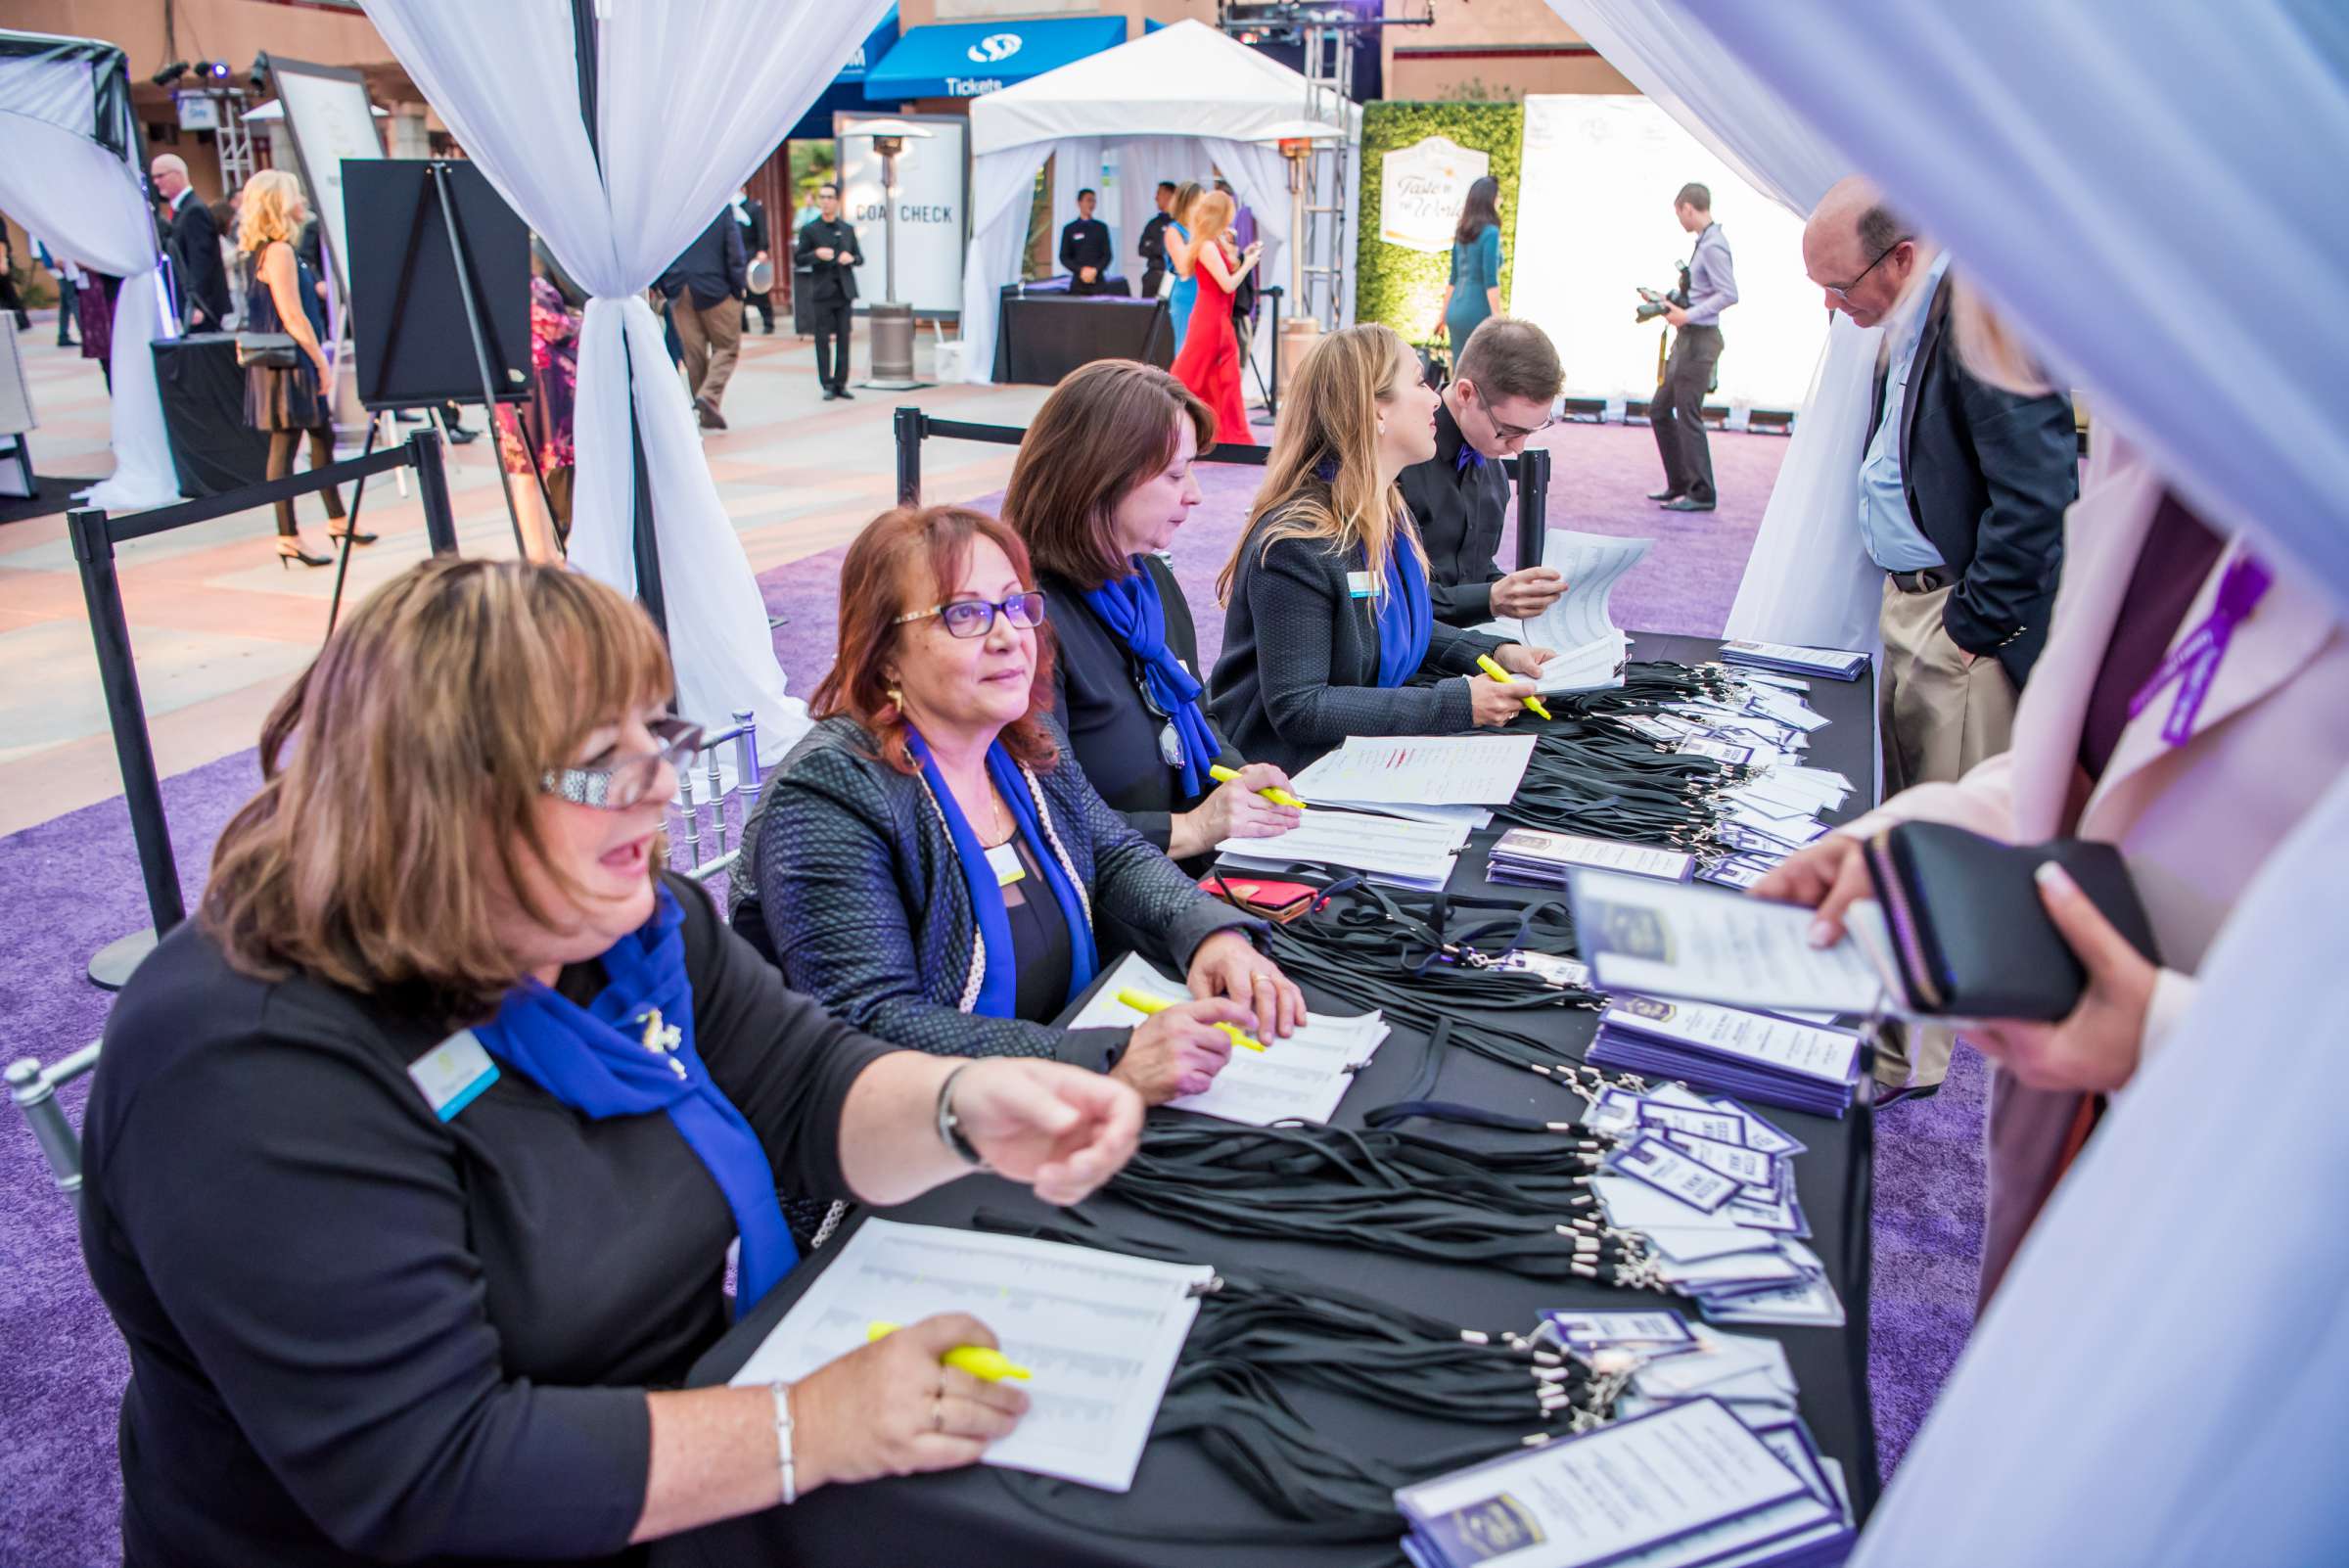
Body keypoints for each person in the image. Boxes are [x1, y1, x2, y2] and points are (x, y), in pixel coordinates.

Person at [78, 558, 1141, 1568]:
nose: (662, 791)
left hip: (662, 1462)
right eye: (601, 763)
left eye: (656, 736)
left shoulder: (622, 927)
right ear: (443, 796)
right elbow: (428, 1471)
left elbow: (808, 1087)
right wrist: (807, 1426)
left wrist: (963, 1107)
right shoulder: (246, 1064)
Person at [744, 504, 1305, 1106]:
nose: (1010, 635)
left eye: (1015, 605)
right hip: (915, 1147)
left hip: (1050, 1092)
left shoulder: (1022, 738)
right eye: (964, 614)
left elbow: (1111, 854)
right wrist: (1106, 1061)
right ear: (884, 652)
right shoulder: (829, 795)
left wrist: (1207, 934)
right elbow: (872, 1026)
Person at [1798, 177, 2078, 1094]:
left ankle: (1910, 1058)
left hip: (1956, 619)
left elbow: (2037, 496)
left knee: (1942, 846)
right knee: (1906, 816)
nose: (1835, 310)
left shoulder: (1983, 313)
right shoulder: (1915, 312)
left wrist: (1973, 625)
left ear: (1903, 257)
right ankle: (1893, 1030)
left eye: (1840, 288)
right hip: (1915, 599)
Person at [1210, 323, 1553, 774]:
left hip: (1352, 757)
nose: (1435, 398)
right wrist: (1454, 703)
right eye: (1418, 382)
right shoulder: (1300, 539)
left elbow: (1383, 622)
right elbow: (1300, 707)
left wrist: (1492, 651)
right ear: (1375, 410)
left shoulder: (1383, 508)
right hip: (1286, 782)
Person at [1004, 358, 1302, 870]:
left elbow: (1195, 709)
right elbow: (1048, 817)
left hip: (1182, 876)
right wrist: (1192, 829)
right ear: (1099, 476)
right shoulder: (1026, 620)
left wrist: (1238, 775)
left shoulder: (1148, 581)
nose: (1195, 494)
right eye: (1175, 474)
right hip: (1111, 903)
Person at [1399, 316, 1569, 628]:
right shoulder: (1400, 457)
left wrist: (1518, 593)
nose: (1518, 448)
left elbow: (1471, 568)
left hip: (1473, 645)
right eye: (1508, 430)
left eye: (1531, 431)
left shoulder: (1489, 456)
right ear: (1466, 394)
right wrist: (1489, 598)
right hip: (1410, 660)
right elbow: (1381, 599)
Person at [236, 170, 352, 569]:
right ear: (280, 203)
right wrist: (320, 361)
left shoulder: (266, 250)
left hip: (285, 361)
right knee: (287, 446)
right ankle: (289, 535)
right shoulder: (279, 251)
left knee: (320, 438)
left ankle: (336, 520)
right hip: (292, 363)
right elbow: (292, 315)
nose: (303, 199)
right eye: (295, 194)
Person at [1647, 182, 1737, 513]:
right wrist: (1668, 301)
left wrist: (1687, 315)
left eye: (1679, 213)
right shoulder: (1706, 243)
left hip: (1700, 340)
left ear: (1688, 207)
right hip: (1690, 338)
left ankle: (1701, 492)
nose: (1679, 220)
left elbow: (1729, 293)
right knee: (1660, 409)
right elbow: (1702, 291)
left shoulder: (1714, 245)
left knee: (1687, 415)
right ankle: (1680, 483)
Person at [493, 238, 584, 563]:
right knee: (529, 474)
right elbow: (554, 325)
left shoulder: (507, 282)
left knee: (532, 473)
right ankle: (539, 554)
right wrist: (581, 321)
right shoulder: (521, 285)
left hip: (531, 386)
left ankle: (543, 551)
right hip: (535, 390)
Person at [1168, 191, 1260, 444]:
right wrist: (1249, 264)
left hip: (1219, 318)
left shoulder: (1213, 244)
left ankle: (1229, 434)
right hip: (1209, 319)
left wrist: (1243, 256)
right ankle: (1166, 421)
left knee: (1225, 378)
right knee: (1191, 373)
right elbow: (1228, 284)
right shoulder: (1207, 246)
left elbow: (1228, 274)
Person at [658, 207, 748, 431]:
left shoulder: (673, 210)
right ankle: (709, 396)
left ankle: (705, 407)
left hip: (680, 288)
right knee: (727, 347)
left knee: (693, 353)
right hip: (716, 287)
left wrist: (665, 286)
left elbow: (657, 251)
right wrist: (738, 288)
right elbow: (735, 251)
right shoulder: (719, 207)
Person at [795, 182, 861, 402]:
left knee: (844, 337)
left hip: (844, 291)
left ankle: (841, 382)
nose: (825, 201)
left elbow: (860, 257)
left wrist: (850, 258)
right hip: (822, 291)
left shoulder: (847, 229)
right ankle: (827, 383)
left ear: (837, 200)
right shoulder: (810, 229)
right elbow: (799, 258)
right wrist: (816, 254)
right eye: (822, 197)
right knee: (822, 339)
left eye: (829, 197)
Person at [152, 153, 231, 333]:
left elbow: (200, 261)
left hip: (201, 306)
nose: (156, 182)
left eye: (160, 176)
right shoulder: (183, 210)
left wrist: (196, 303)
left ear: (177, 174)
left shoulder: (194, 211)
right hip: (192, 303)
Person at [1431, 176, 1505, 363]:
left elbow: (1453, 278)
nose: (1500, 200)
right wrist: (1499, 317)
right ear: (1489, 199)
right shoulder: (1491, 233)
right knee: (1481, 370)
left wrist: (1442, 317)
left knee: (1460, 369)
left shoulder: (1462, 231)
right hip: (1478, 310)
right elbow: (1490, 280)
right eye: (1498, 195)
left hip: (1456, 310)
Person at [1164, 180, 1204, 353]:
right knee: (1185, 348)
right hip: (1186, 294)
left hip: (1204, 295)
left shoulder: (1202, 230)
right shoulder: (1174, 231)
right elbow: (1183, 267)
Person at [731, 187, 774, 335]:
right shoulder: (729, 209)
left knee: (758, 289)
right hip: (736, 254)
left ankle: (768, 322)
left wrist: (762, 249)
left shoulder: (754, 208)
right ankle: (742, 324)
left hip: (752, 252)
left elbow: (762, 230)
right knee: (737, 290)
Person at [1058, 187, 1112, 296]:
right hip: (1078, 283)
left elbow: (1107, 255)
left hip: (1098, 283)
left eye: (1093, 201)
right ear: (1079, 203)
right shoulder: (1070, 229)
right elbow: (1064, 256)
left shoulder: (1101, 228)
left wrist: (1095, 270)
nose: (1091, 204)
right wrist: (1081, 270)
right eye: (1088, 200)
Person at [1137, 180, 1177, 301]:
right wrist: (1161, 248)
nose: (1156, 198)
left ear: (1169, 195)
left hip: (1171, 276)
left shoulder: (1178, 223)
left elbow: (1173, 250)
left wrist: (1155, 247)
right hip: (1152, 275)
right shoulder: (1153, 223)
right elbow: (1142, 249)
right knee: (1147, 313)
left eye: (1159, 193)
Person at [33, 239, 78, 347]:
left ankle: (63, 335)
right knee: (73, 300)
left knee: (66, 302)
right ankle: (85, 334)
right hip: (60, 264)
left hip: (57, 263)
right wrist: (57, 258)